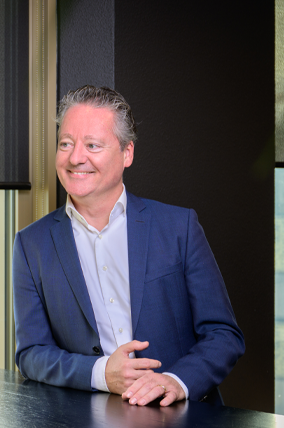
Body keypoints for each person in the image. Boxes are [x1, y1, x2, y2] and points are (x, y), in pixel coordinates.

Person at [12, 85, 244, 407]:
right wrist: (101, 372)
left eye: (92, 145)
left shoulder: (179, 227)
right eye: (66, 144)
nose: (76, 157)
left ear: (127, 153)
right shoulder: (30, 244)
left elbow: (223, 334)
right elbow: (32, 354)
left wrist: (175, 382)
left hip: (185, 424)